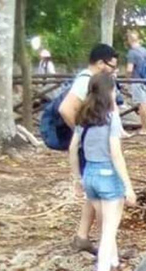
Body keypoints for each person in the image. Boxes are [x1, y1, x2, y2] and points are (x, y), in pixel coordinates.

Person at [68, 72, 136, 271]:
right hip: (108, 177)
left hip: (89, 175)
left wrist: (77, 179)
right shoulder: (111, 118)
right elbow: (116, 154)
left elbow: (72, 148)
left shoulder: (82, 116)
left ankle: (114, 266)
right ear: (110, 91)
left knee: (106, 226)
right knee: (108, 231)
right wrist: (128, 186)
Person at [59, 43, 119, 253]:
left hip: (90, 148)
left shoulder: (92, 81)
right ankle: (108, 250)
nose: (113, 71)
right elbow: (66, 109)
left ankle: (82, 237)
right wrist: (84, 134)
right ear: (101, 63)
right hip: (91, 151)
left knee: (92, 194)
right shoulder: (86, 81)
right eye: (112, 67)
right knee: (102, 200)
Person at [125, 31, 146, 136]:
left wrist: (127, 80)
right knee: (144, 103)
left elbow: (129, 69)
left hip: (137, 80)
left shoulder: (132, 53)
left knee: (142, 105)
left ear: (129, 40)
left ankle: (144, 128)